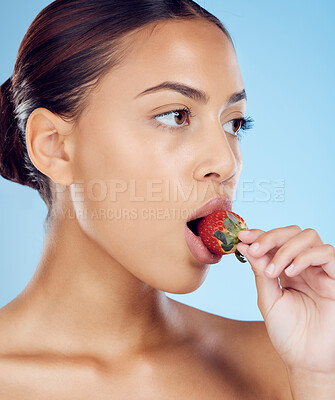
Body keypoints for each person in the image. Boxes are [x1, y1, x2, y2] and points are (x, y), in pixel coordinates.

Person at [0, 0, 334, 398]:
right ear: (54, 147)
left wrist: (319, 379)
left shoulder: (290, 362)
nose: (225, 163)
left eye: (234, 123)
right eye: (176, 115)